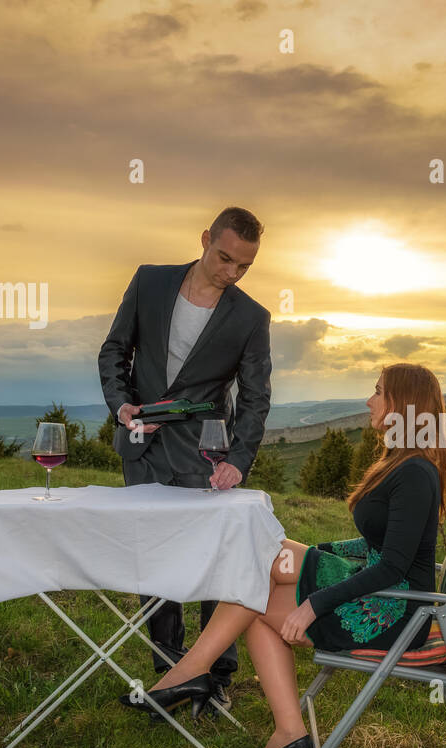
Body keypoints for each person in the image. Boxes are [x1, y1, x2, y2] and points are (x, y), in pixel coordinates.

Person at [119, 363, 446, 748]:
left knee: (256, 592)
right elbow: (377, 545)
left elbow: (394, 566)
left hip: (392, 612)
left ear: (404, 403)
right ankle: (283, 733)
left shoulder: (415, 473)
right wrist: (318, 550)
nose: (369, 401)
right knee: (259, 570)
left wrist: (314, 604)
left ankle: (193, 676)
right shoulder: (402, 463)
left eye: (379, 392)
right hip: (380, 594)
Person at [97, 207, 272, 710]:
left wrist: (238, 459)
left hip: (206, 453)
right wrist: (122, 406)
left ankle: (215, 677)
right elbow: (114, 352)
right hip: (142, 448)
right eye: (225, 258)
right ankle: (168, 674)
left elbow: (256, 398)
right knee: (153, 562)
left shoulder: (252, 317)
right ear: (205, 239)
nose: (232, 273)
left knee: (210, 564)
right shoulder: (149, 282)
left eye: (244, 266)